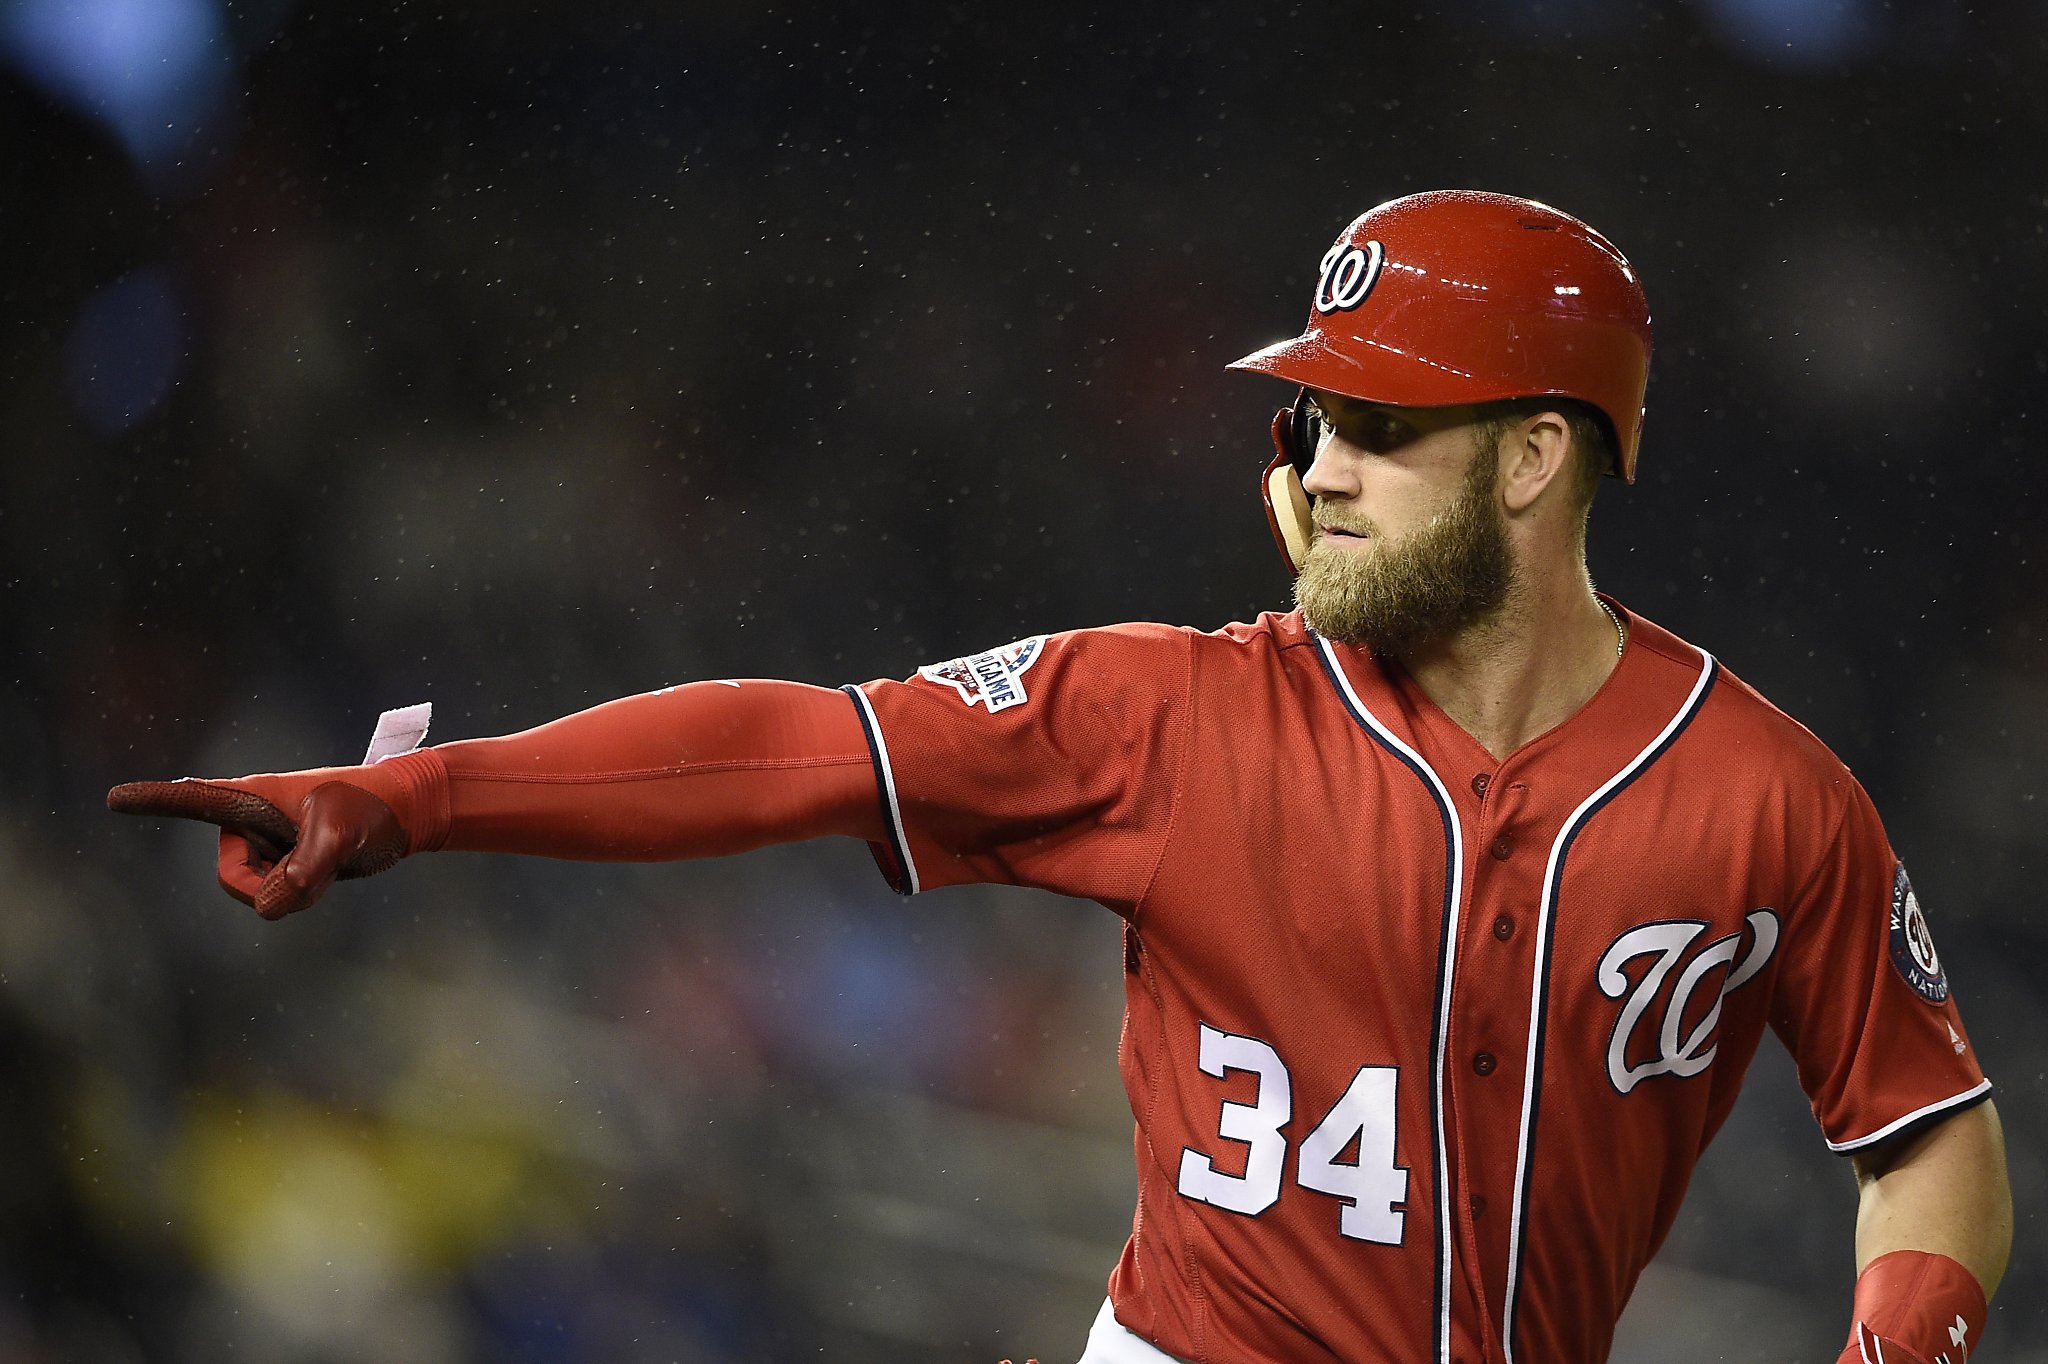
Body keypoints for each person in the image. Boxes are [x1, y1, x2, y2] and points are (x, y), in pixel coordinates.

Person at [111, 190, 2011, 1364]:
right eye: (1308, 417)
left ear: (1532, 460)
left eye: (1372, 421)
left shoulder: (1765, 796)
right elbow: (799, 742)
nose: (1314, 462)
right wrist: (420, 800)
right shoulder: (1174, 711)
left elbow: (1925, 1133)